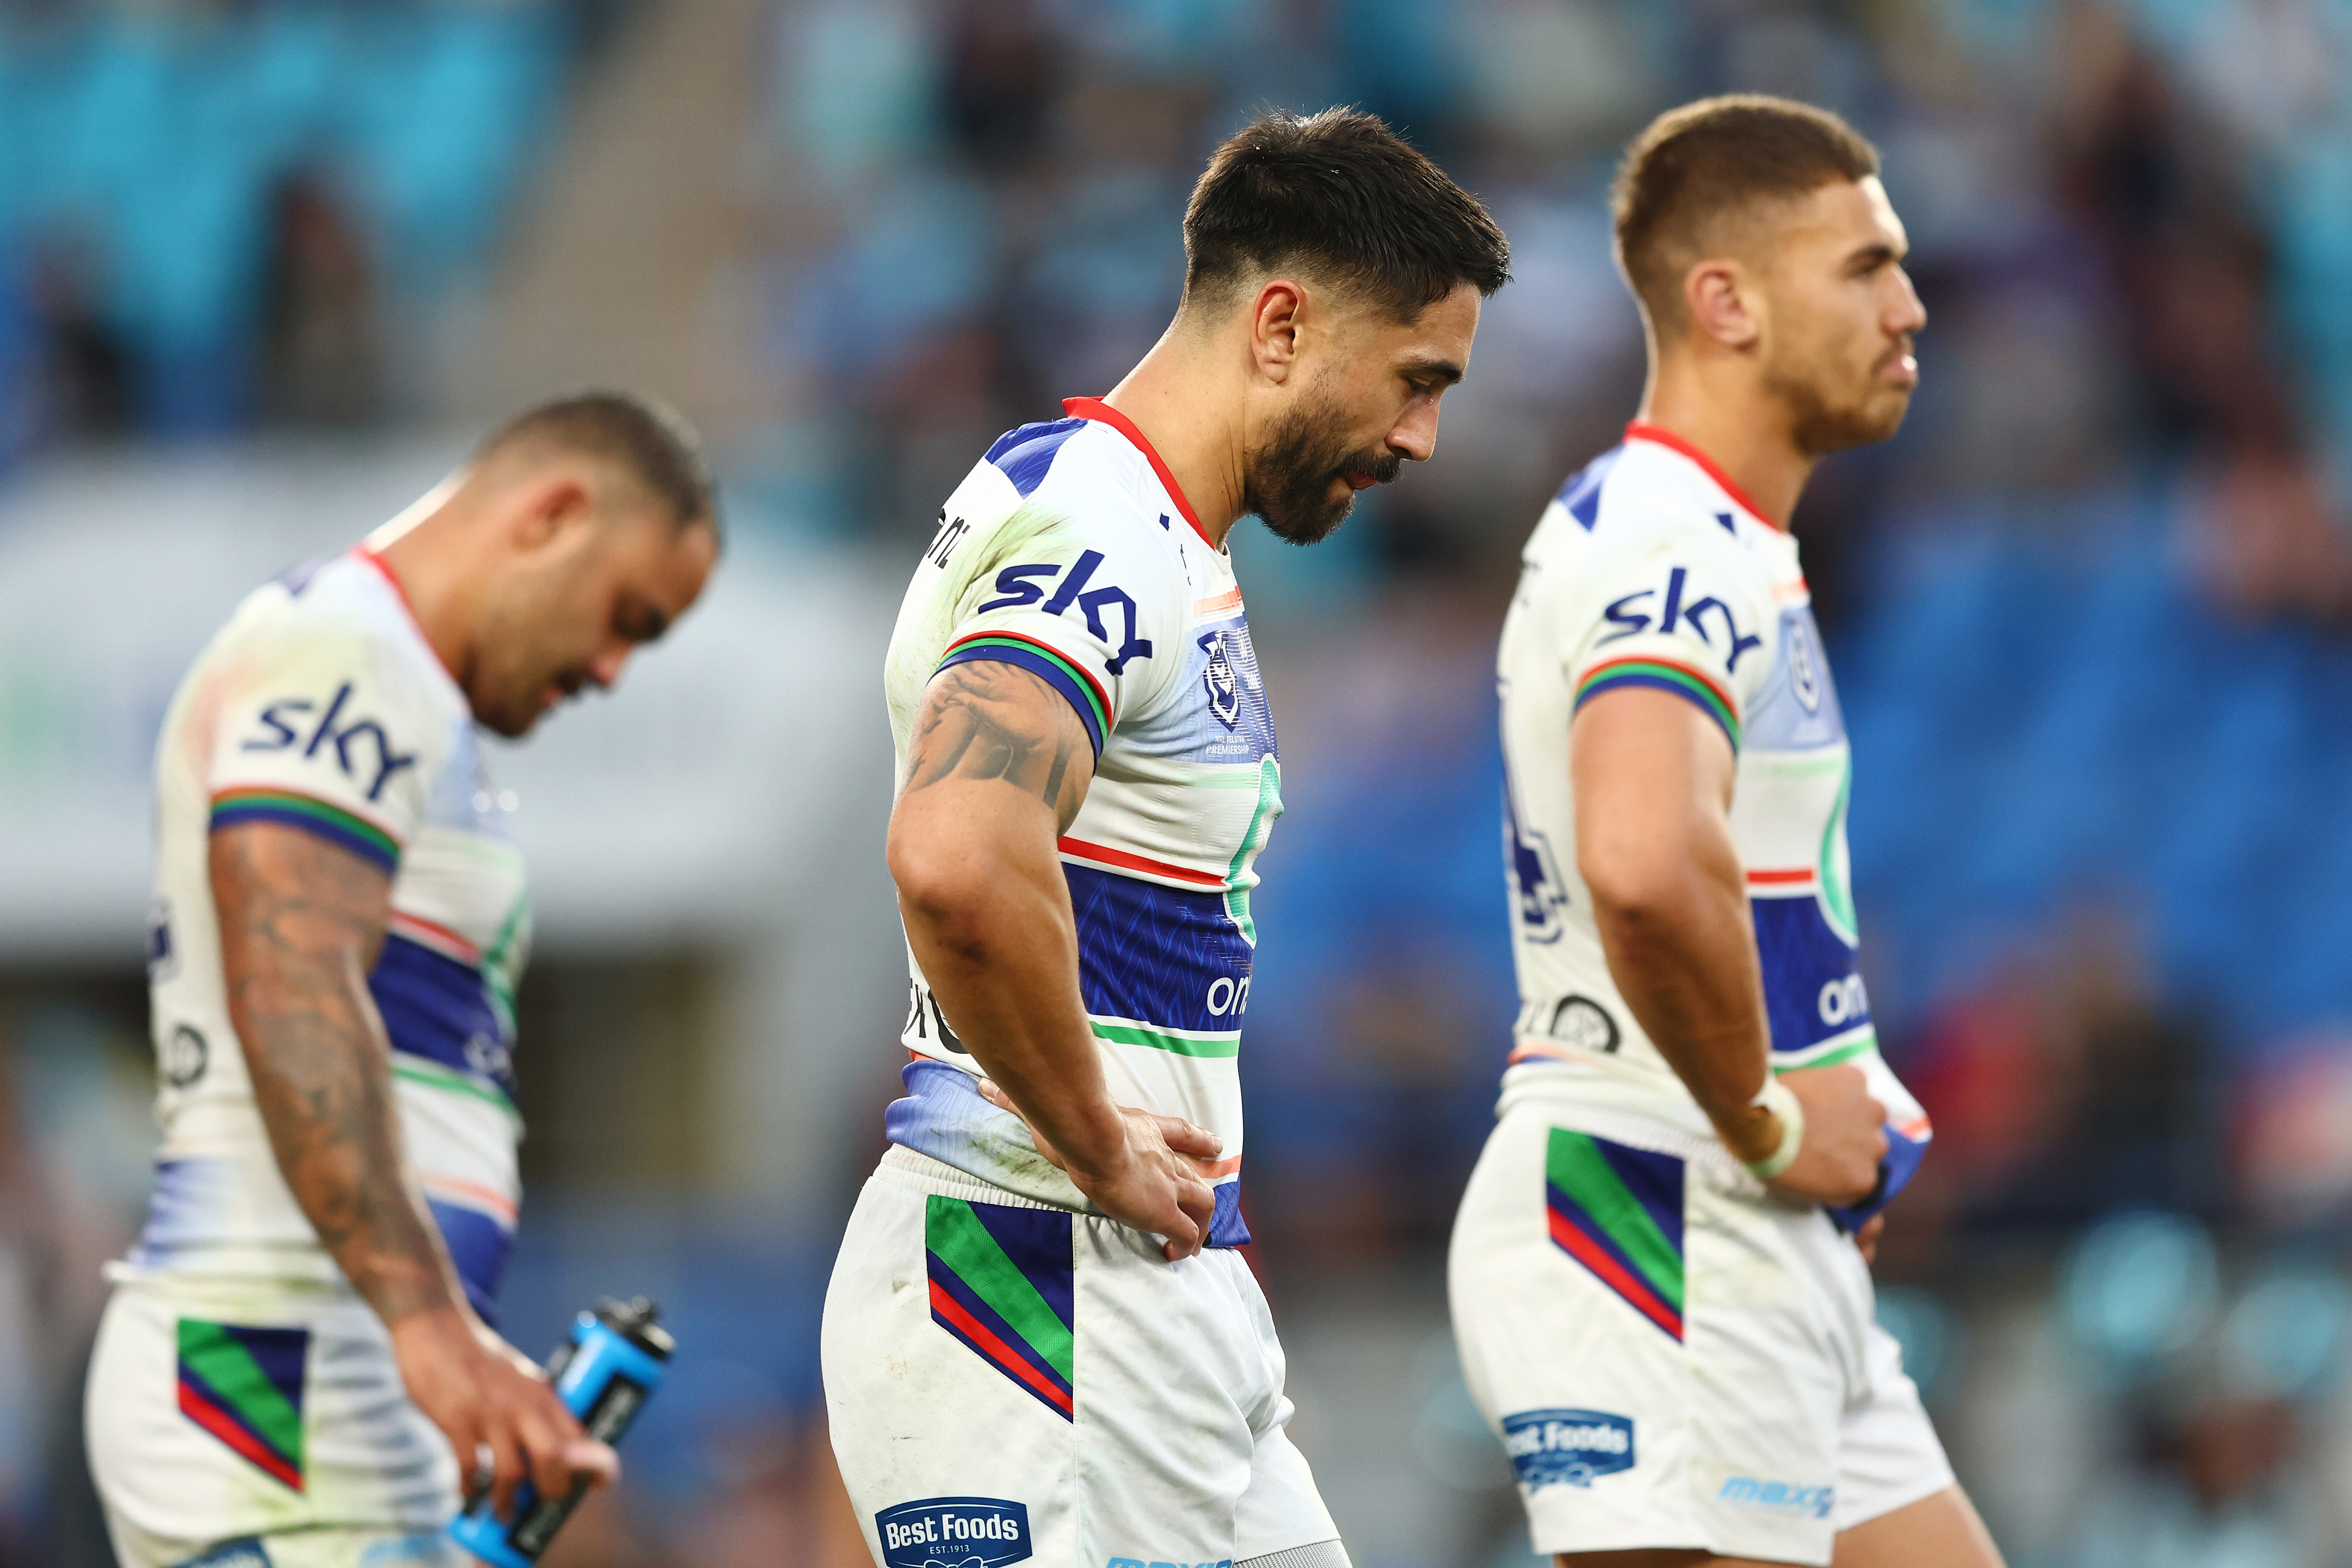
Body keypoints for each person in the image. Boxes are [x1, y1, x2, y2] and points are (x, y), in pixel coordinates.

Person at [822, 108, 1508, 1568]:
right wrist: (1092, 1137)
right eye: (1414, 379)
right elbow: (953, 851)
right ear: (1279, 324)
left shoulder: (1137, 529)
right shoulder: (1102, 530)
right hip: (1026, 1276)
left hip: (1143, 1287)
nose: (1419, 438)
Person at [1447, 97, 2005, 1568]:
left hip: (1743, 1219)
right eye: (1865, 266)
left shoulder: (1720, 545)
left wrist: (1838, 1092)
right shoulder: (1668, 541)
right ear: (1726, 301)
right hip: (1653, 1198)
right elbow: (1640, 857)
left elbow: (1728, 876)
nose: (1911, 302)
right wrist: (1768, 1114)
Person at [86, 393, 721, 1568]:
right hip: (268, 1376)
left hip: (330, 1385)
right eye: (627, 617)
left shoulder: (404, 691)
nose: (612, 669)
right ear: (554, 515)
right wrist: (433, 1327)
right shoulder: (348, 649)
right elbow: (292, 980)